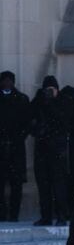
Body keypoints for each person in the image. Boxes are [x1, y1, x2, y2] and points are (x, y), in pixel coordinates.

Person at [30, 75, 72, 226]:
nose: (48, 92)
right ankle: (46, 216)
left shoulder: (63, 102)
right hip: (42, 150)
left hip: (57, 150)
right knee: (43, 185)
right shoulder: (38, 102)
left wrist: (51, 103)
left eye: (51, 90)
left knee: (59, 185)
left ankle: (61, 216)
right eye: (46, 90)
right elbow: (30, 120)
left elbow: (65, 122)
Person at [0, 70, 31, 221]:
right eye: (4, 81)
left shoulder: (22, 99)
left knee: (16, 183)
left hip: (16, 148)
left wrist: (17, 138)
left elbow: (27, 123)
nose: (7, 84)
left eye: (9, 81)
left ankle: (14, 214)